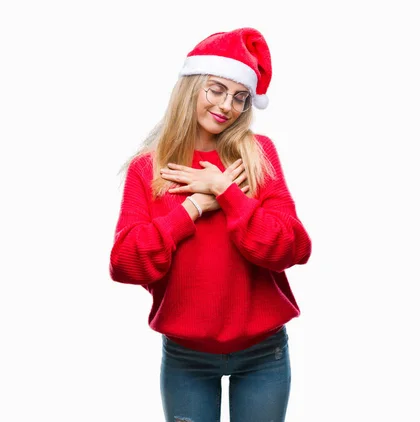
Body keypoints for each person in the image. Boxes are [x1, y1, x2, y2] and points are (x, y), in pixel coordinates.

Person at [109, 27, 312, 422]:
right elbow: (125, 264)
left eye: (240, 97)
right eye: (216, 89)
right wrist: (191, 209)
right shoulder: (147, 169)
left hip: (263, 354)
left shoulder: (258, 155)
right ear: (192, 88)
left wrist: (226, 191)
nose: (227, 106)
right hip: (187, 358)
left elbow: (293, 248)